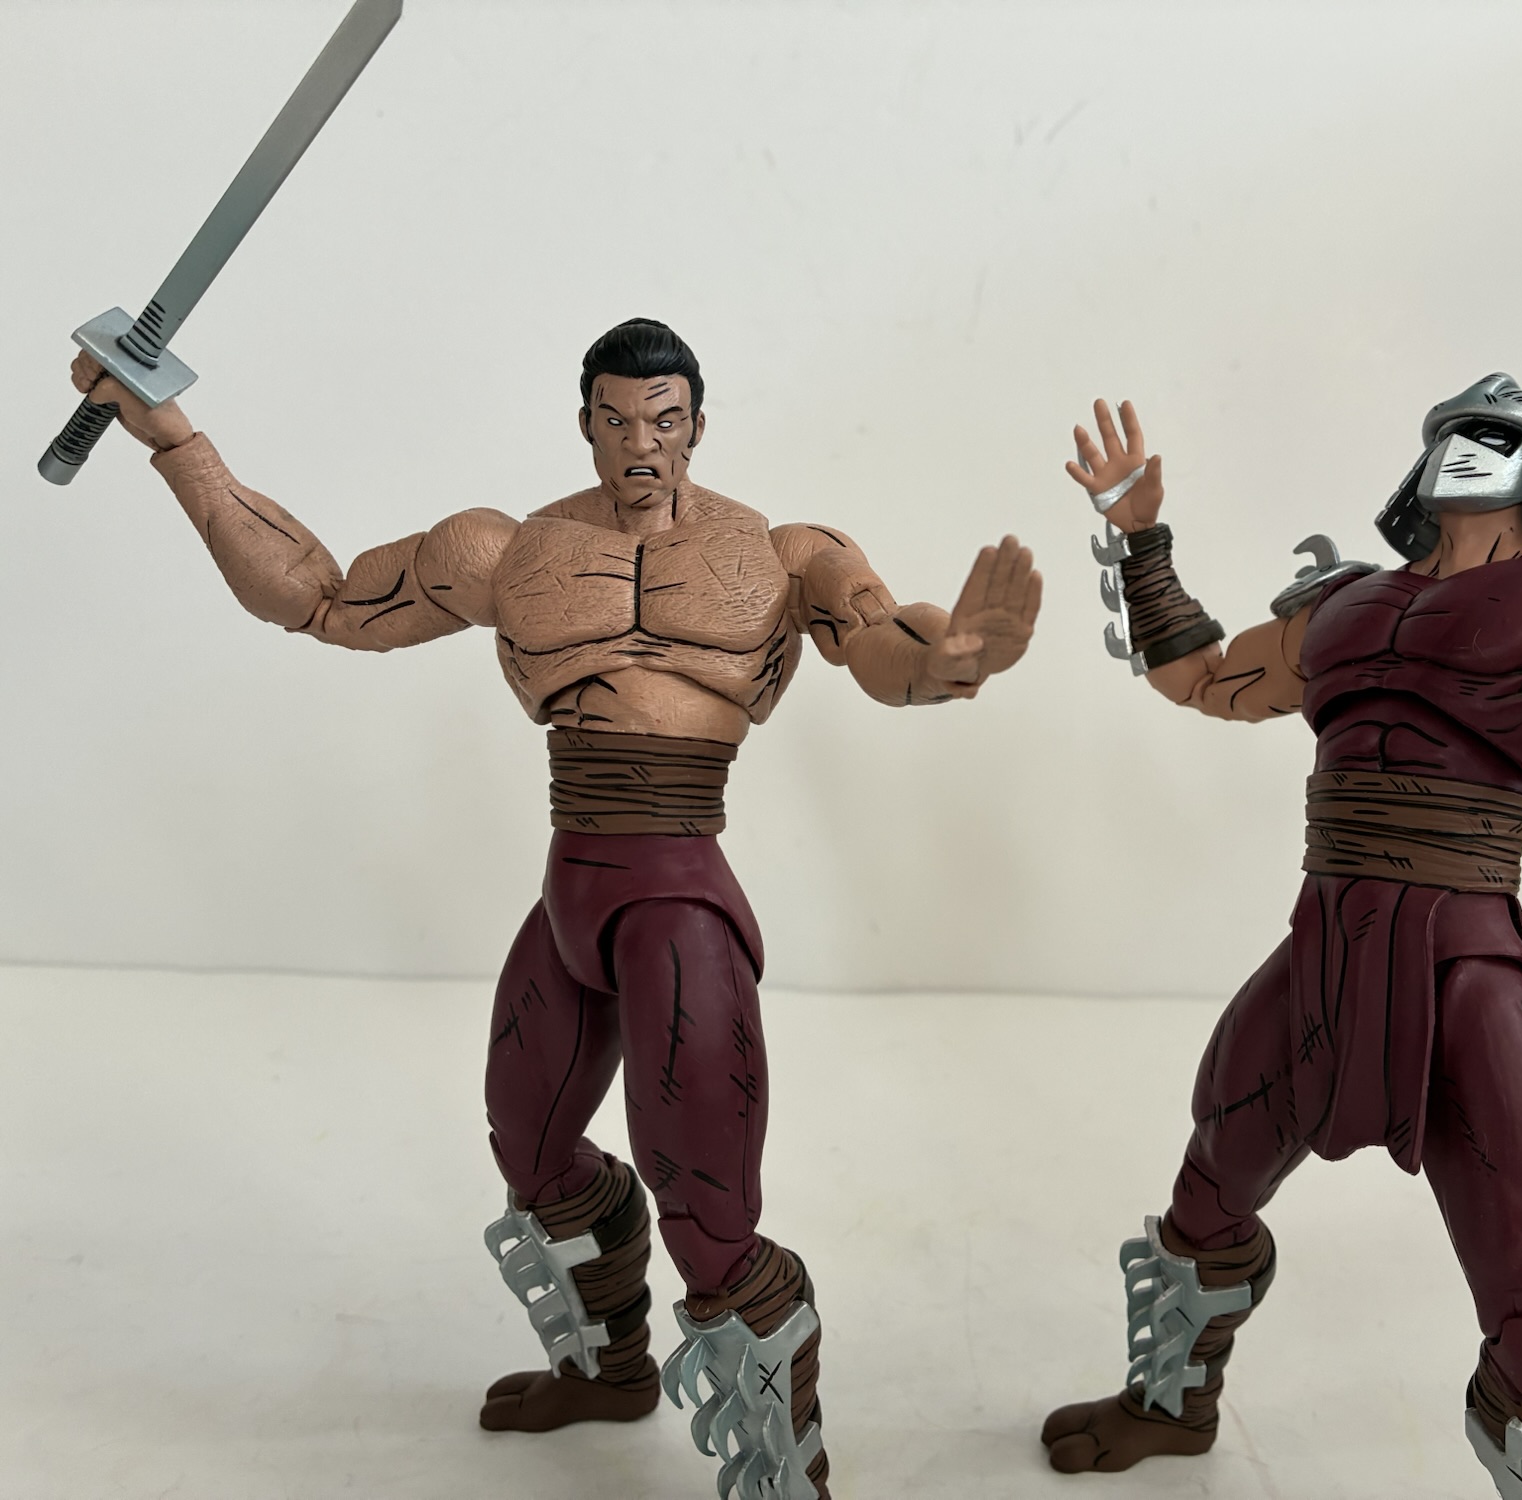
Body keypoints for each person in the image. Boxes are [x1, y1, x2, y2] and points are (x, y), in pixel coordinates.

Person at [71, 316, 1041, 1500]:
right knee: (531, 1154)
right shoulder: (506, 550)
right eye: (618, 420)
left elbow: (884, 644)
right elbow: (317, 598)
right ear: (585, 424)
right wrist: (174, 440)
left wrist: (953, 659)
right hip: (569, 896)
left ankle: (791, 1479)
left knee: (707, 1215)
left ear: (698, 424)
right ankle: (609, 1369)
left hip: (678, 904)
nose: (642, 444)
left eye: (664, 420)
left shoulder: (781, 555)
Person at [1040, 269, 1522, 1497]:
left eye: (1496, 432)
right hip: (1323, 944)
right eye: (1451, 428)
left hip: (1463, 963)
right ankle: (1167, 1405)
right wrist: (1140, 537)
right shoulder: (1346, 602)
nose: (1467, 441)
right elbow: (1204, 677)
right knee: (1209, 1178)